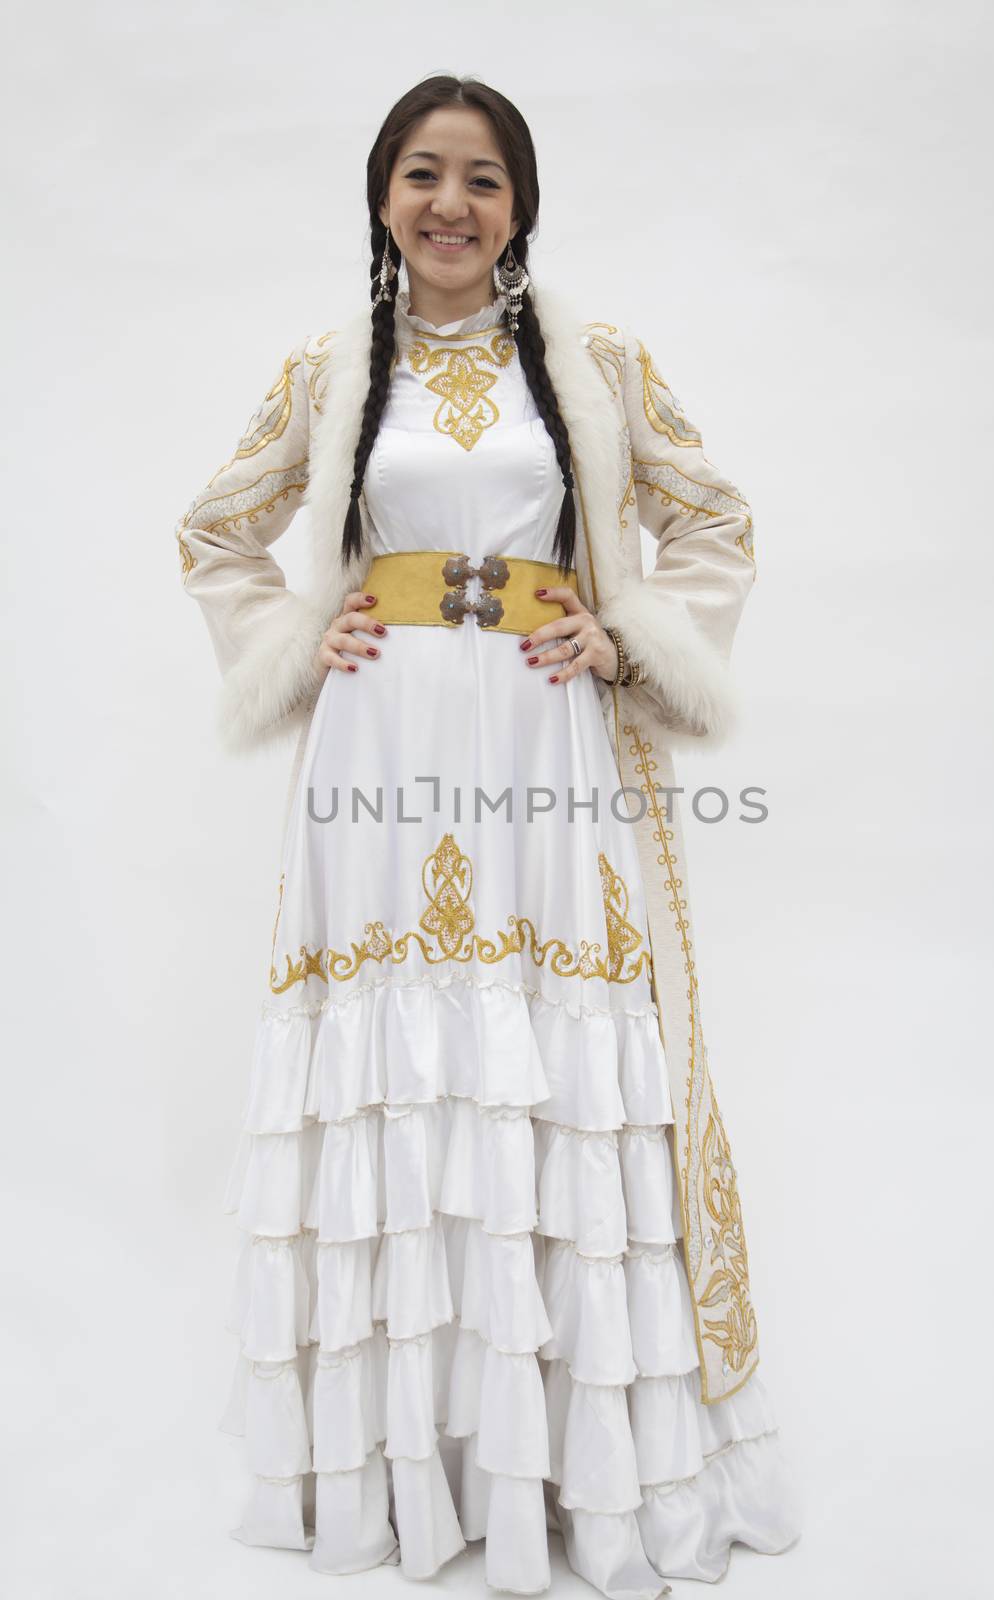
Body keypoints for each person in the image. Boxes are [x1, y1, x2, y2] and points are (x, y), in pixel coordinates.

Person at [176, 73, 803, 1598]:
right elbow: (216, 530)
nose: (450, 205)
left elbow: (713, 518)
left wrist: (627, 635)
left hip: (541, 739)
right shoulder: (334, 368)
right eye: (421, 175)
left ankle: (570, 1482)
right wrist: (293, 635)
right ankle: (403, 1469)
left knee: (557, 1058)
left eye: (483, 180)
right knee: (403, 1051)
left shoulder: (591, 361)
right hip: (377, 742)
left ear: (520, 207)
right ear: (383, 194)